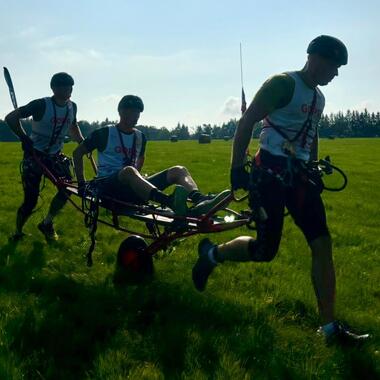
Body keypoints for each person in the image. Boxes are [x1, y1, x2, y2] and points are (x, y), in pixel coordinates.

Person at [192, 35, 369, 345]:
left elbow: (311, 135)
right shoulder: (283, 83)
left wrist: (312, 169)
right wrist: (236, 169)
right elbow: (247, 122)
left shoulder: (319, 99)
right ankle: (212, 254)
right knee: (265, 250)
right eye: (334, 66)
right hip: (268, 174)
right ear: (315, 58)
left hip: (299, 178)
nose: (336, 74)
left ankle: (329, 329)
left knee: (322, 242)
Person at [73, 95, 229, 215]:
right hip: (108, 186)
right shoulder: (105, 133)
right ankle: (169, 202)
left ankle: (199, 200)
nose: (134, 116)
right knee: (129, 171)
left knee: (179, 170)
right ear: (120, 112)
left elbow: (140, 159)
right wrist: (81, 184)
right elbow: (77, 153)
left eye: (137, 113)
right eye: (131, 112)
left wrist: (138, 180)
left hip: (131, 186)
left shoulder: (140, 136)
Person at [5, 72, 84, 242]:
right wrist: (23, 137)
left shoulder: (72, 107)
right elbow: (11, 118)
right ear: (54, 88)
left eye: (70, 86)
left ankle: (47, 223)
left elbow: (73, 125)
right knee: (30, 201)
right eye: (64, 86)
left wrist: (82, 143)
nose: (68, 89)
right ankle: (18, 232)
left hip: (55, 156)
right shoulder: (40, 104)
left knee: (67, 189)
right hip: (35, 155)